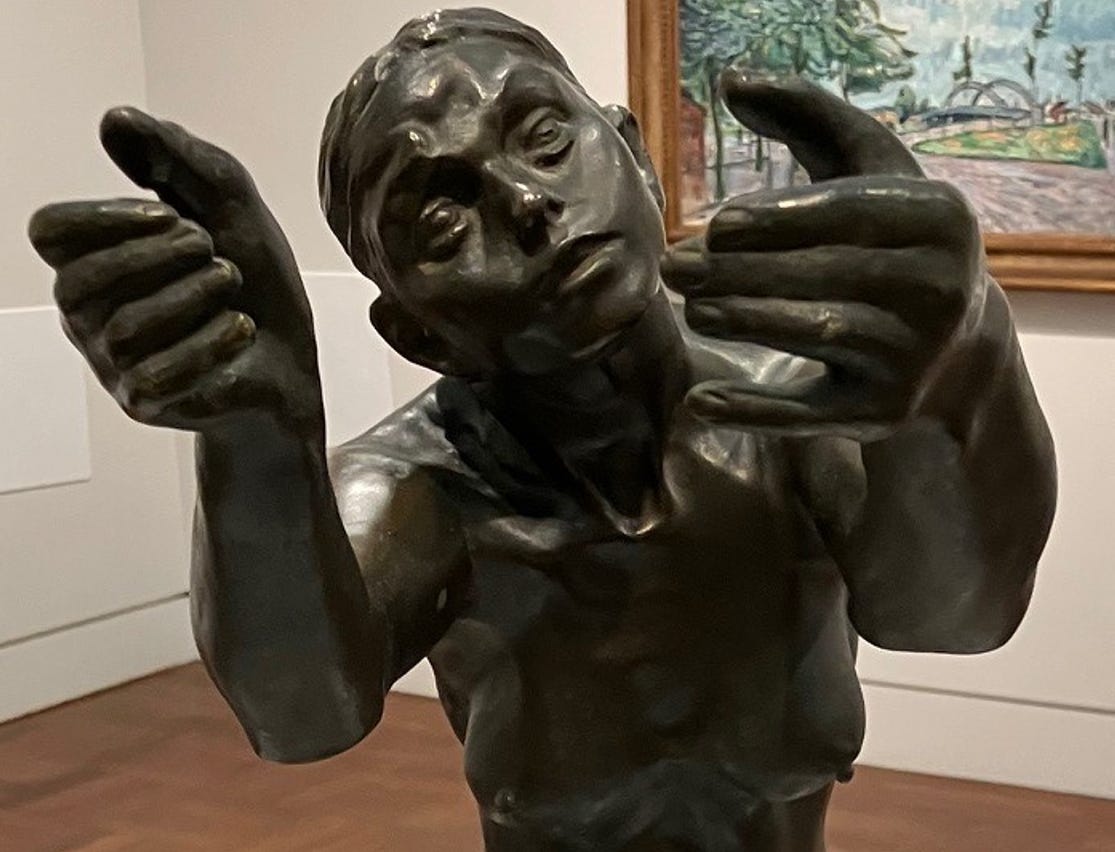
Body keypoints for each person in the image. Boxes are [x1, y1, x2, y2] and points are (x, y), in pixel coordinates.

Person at [29, 9, 1056, 851]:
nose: (526, 202)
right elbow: (300, 716)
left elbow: (950, 619)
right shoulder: (424, 490)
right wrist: (257, 444)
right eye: (441, 222)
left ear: (638, 159)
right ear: (415, 333)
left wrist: (963, 369)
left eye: (545, 139)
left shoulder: (793, 412)